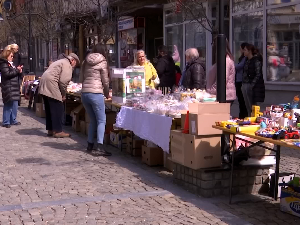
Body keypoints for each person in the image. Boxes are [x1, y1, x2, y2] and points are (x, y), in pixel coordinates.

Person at [79, 44, 111, 156]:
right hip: (96, 93)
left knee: (93, 120)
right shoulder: (103, 62)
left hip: (85, 93)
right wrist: (107, 93)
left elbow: (81, 78)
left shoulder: (85, 61)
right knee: (101, 120)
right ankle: (100, 146)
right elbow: (105, 81)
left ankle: (89, 144)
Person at [39, 53, 80, 138]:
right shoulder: (67, 64)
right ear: (72, 61)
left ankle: (50, 129)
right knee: (58, 107)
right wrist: (63, 94)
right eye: (75, 64)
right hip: (51, 83)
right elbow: (63, 81)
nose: (74, 67)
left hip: (44, 82)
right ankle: (58, 131)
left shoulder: (60, 61)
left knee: (49, 107)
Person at [207, 39, 236, 104]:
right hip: (222, 94)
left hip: (225, 95)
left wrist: (211, 91)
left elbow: (222, 80)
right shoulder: (222, 59)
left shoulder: (226, 61)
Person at [0, 46, 23, 128]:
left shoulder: (11, 64)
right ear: (7, 56)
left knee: (15, 104)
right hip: (8, 87)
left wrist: (19, 71)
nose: (12, 58)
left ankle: (13, 119)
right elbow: (7, 74)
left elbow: (16, 74)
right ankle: (6, 121)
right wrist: (17, 70)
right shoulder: (4, 64)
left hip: (14, 86)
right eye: (11, 56)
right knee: (8, 104)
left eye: (13, 56)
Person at [242, 44, 265, 116]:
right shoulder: (246, 60)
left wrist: (252, 85)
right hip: (245, 84)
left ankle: (253, 120)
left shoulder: (256, 61)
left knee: (253, 106)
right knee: (248, 106)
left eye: (245, 50)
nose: (243, 52)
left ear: (250, 51)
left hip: (253, 86)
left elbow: (258, 74)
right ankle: (249, 117)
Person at [235, 42, 248, 119]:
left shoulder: (245, 58)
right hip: (239, 80)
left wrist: (232, 65)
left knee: (242, 100)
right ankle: (242, 115)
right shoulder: (242, 58)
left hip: (241, 81)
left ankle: (243, 116)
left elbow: (239, 66)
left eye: (241, 49)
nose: (240, 50)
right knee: (241, 101)